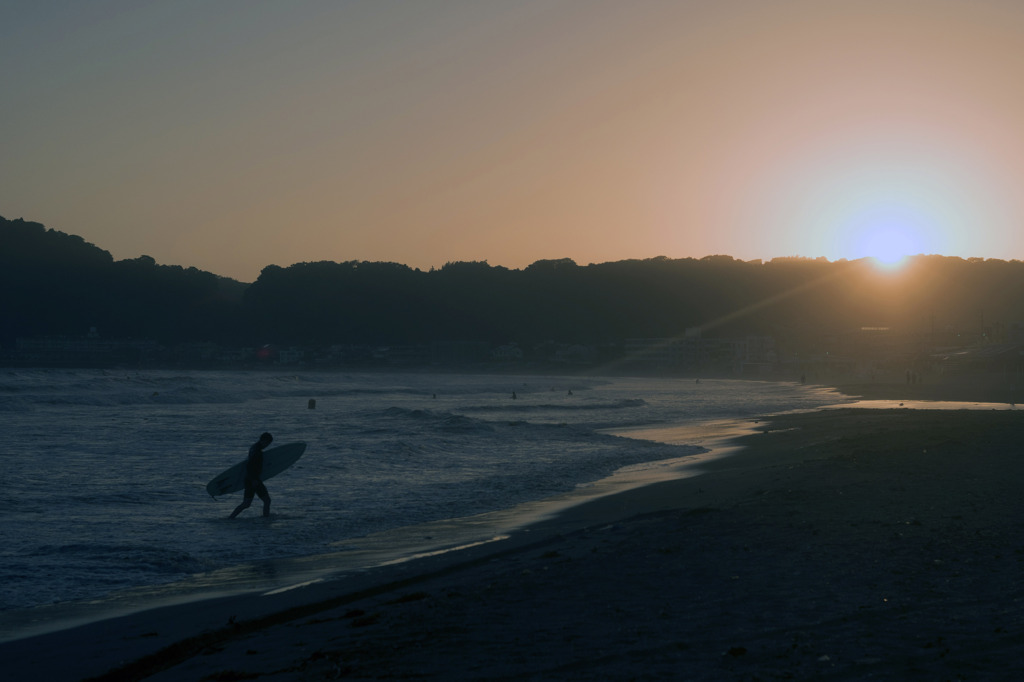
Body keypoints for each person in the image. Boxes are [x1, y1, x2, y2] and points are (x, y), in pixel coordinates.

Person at [230, 432, 273, 518]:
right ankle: (266, 519)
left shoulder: (254, 447)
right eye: (267, 443)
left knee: (246, 504)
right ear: (263, 441)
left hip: (250, 479)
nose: (267, 445)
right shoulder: (257, 452)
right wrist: (254, 480)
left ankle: (230, 518)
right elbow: (250, 466)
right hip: (254, 480)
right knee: (267, 500)